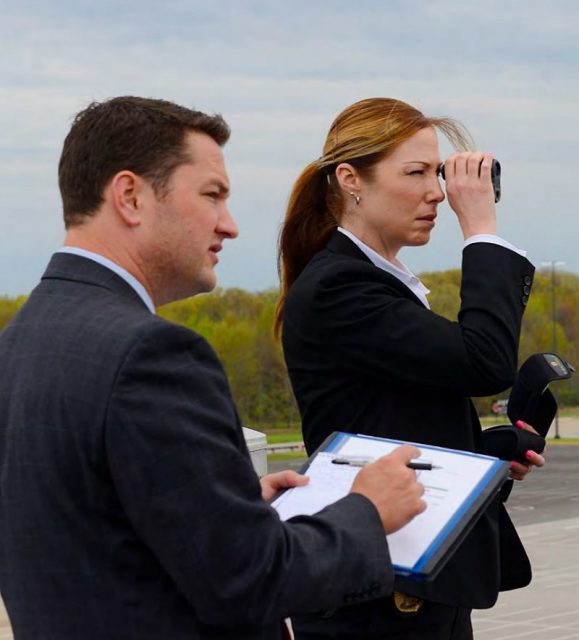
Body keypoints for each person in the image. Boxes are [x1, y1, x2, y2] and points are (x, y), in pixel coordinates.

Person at [0, 97, 427, 640]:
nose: (230, 226)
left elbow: (96, 530)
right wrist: (368, 511)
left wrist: (234, 505)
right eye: (212, 195)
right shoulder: (149, 355)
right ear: (130, 196)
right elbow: (251, 582)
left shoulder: (20, 340)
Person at [276, 97, 545, 640]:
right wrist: (482, 228)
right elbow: (483, 360)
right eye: (416, 172)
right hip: (378, 597)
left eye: (438, 172)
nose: (437, 193)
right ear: (351, 179)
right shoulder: (339, 288)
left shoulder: (377, 283)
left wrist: (489, 454)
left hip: (414, 579)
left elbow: (391, 421)